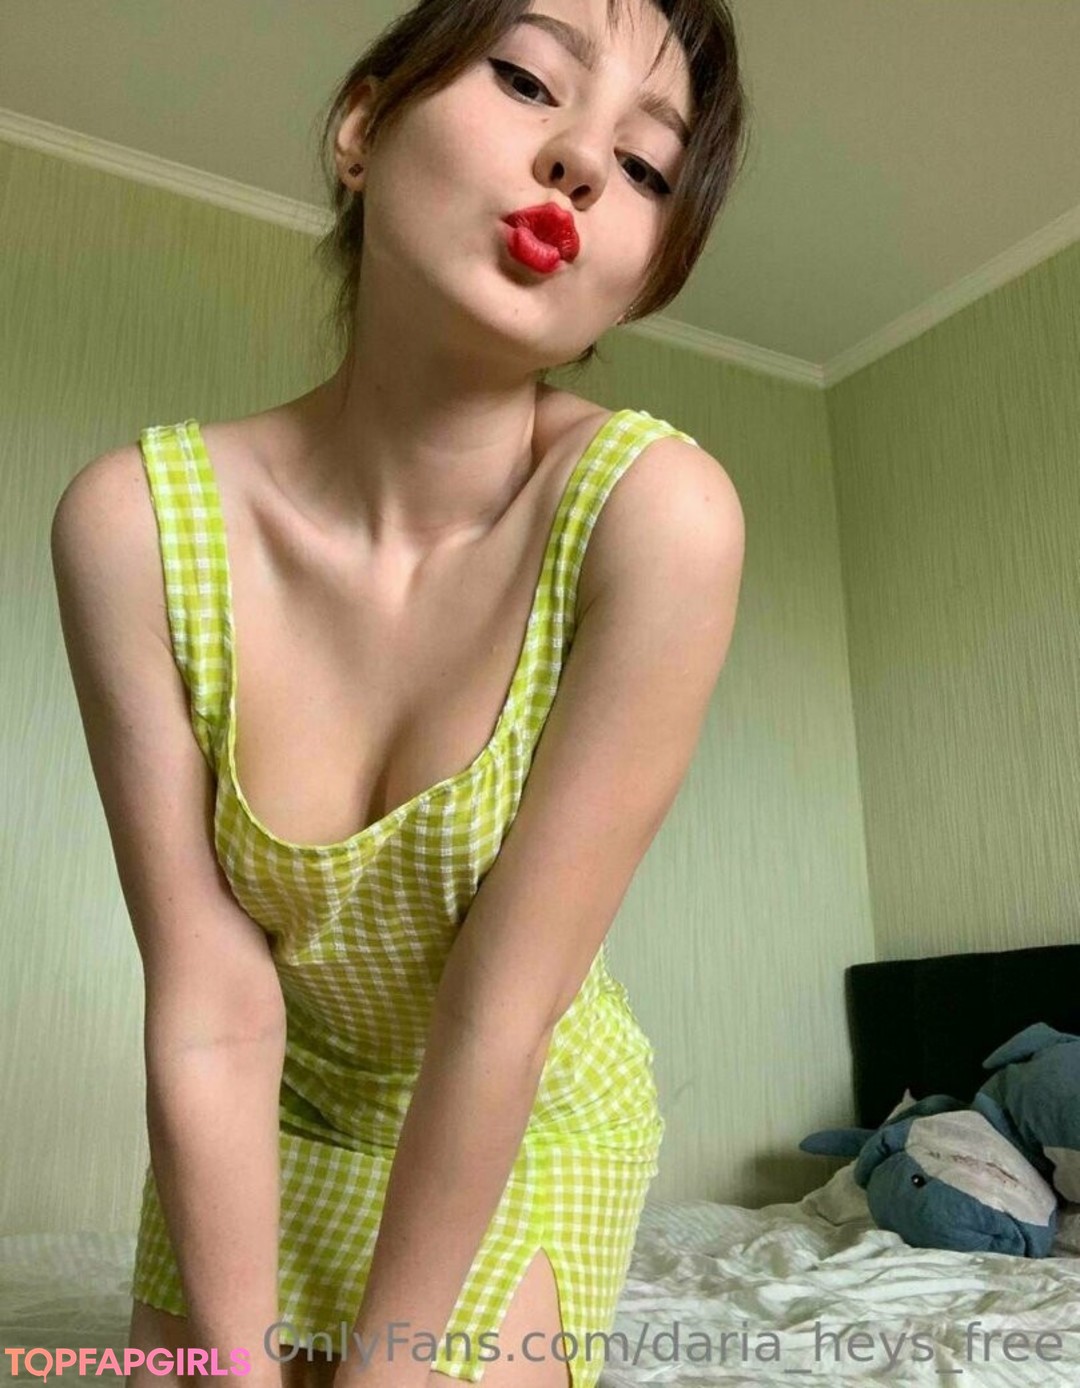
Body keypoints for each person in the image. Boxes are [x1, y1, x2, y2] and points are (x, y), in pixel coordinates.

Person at [50, 2, 748, 1387]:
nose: (581, 163)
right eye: (529, 79)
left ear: (646, 278)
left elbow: (500, 1014)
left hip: (528, 1111)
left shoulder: (655, 518)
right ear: (362, 129)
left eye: (646, 167)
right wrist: (236, 1365)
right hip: (277, 1105)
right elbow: (210, 1004)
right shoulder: (136, 526)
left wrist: (388, 1369)